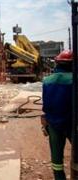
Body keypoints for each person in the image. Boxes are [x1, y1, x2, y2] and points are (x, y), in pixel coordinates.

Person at [41, 50, 73, 180]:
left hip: (53, 123)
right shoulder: (74, 79)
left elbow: (46, 103)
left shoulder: (46, 80)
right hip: (72, 123)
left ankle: (59, 178)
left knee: (56, 157)